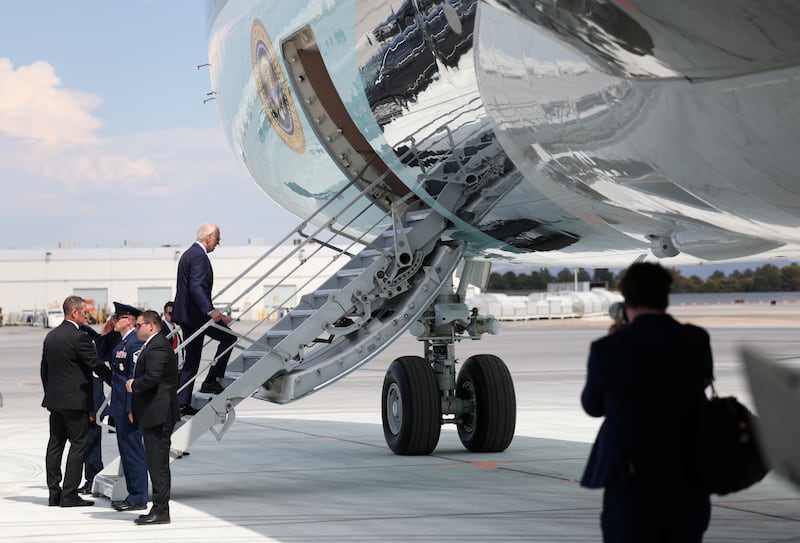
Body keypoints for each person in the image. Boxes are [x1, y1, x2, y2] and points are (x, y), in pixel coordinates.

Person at [580, 262, 714, 542]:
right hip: (688, 476)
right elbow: (699, 386)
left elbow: (593, 407)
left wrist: (615, 342)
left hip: (631, 481)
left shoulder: (607, 349)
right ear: (665, 297)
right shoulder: (696, 339)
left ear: (626, 300)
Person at [40, 295, 112, 507]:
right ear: (74, 313)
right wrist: (115, 381)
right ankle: (69, 494)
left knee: (55, 445)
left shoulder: (51, 336)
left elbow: (44, 370)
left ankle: (55, 493)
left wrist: (50, 393)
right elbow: (95, 364)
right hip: (74, 402)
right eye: (84, 312)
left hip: (55, 401)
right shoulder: (79, 337)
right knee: (79, 444)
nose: (87, 315)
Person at [173, 223, 236, 415]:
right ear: (208, 237)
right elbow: (196, 287)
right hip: (196, 317)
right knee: (229, 338)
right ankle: (210, 381)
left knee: (192, 360)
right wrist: (210, 310)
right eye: (217, 238)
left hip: (188, 316)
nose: (218, 243)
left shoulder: (188, 254)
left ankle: (182, 401)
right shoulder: (199, 257)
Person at [126, 310, 180, 525]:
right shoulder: (153, 343)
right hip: (153, 413)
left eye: (138, 325)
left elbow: (154, 376)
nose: (135, 329)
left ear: (151, 326)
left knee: (158, 465)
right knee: (155, 463)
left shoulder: (157, 345)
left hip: (159, 414)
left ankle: (161, 511)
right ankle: (158, 508)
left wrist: (134, 385)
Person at [106, 302, 148, 512]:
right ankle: (133, 495)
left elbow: (134, 377)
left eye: (118, 317)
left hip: (128, 408)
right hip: (120, 406)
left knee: (133, 452)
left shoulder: (134, 343)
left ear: (129, 320)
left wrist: (132, 408)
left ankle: (139, 497)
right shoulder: (122, 342)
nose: (114, 320)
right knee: (126, 451)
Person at [77, 317, 119, 495]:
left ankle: (92, 477)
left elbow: (95, 382)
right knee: (88, 443)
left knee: (91, 442)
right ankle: (91, 476)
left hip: (92, 406)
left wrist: (94, 409)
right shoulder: (91, 347)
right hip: (86, 404)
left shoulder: (91, 352)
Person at [161, 301, 184, 370]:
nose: (173, 316)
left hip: (179, 368)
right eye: (170, 313)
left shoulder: (177, 329)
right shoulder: (161, 329)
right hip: (169, 370)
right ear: (165, 314)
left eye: (175, 313)